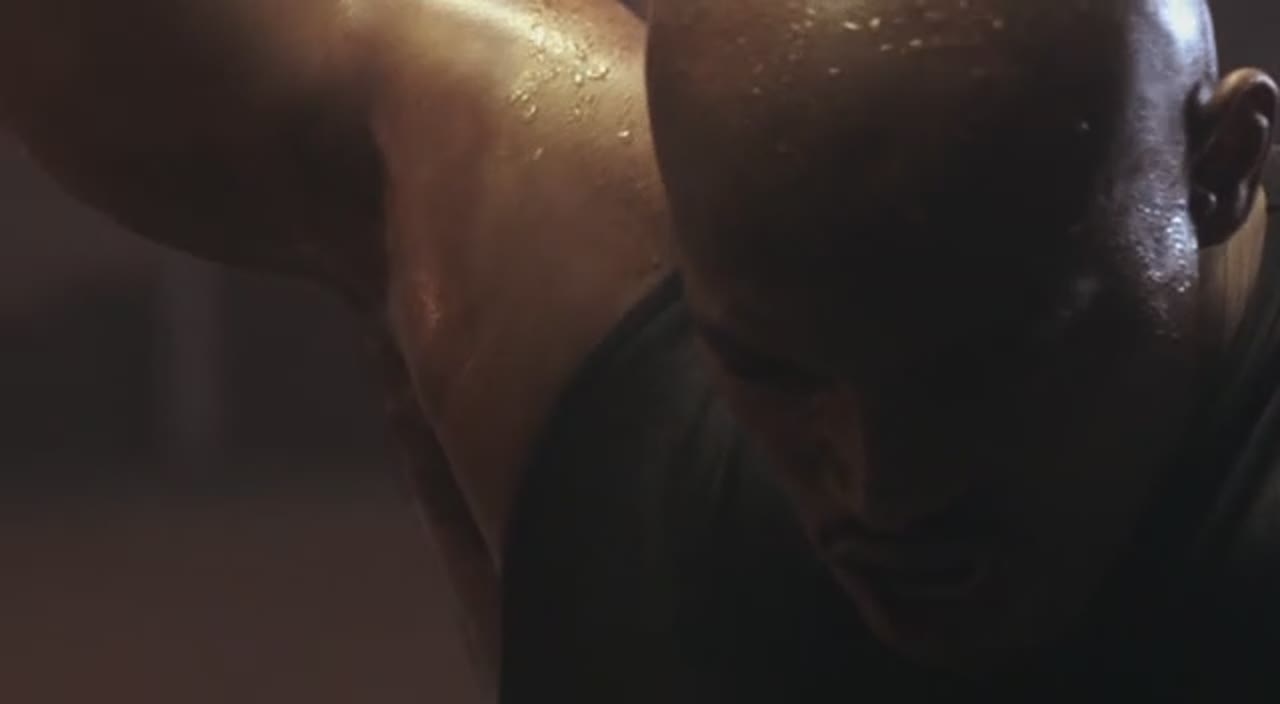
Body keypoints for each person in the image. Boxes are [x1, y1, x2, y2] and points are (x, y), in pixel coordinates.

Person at [0, 0, 1276, 701]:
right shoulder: (617, 374)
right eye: (775, 369)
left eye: (979, 370)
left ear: (1220, 166)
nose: (883, 487)